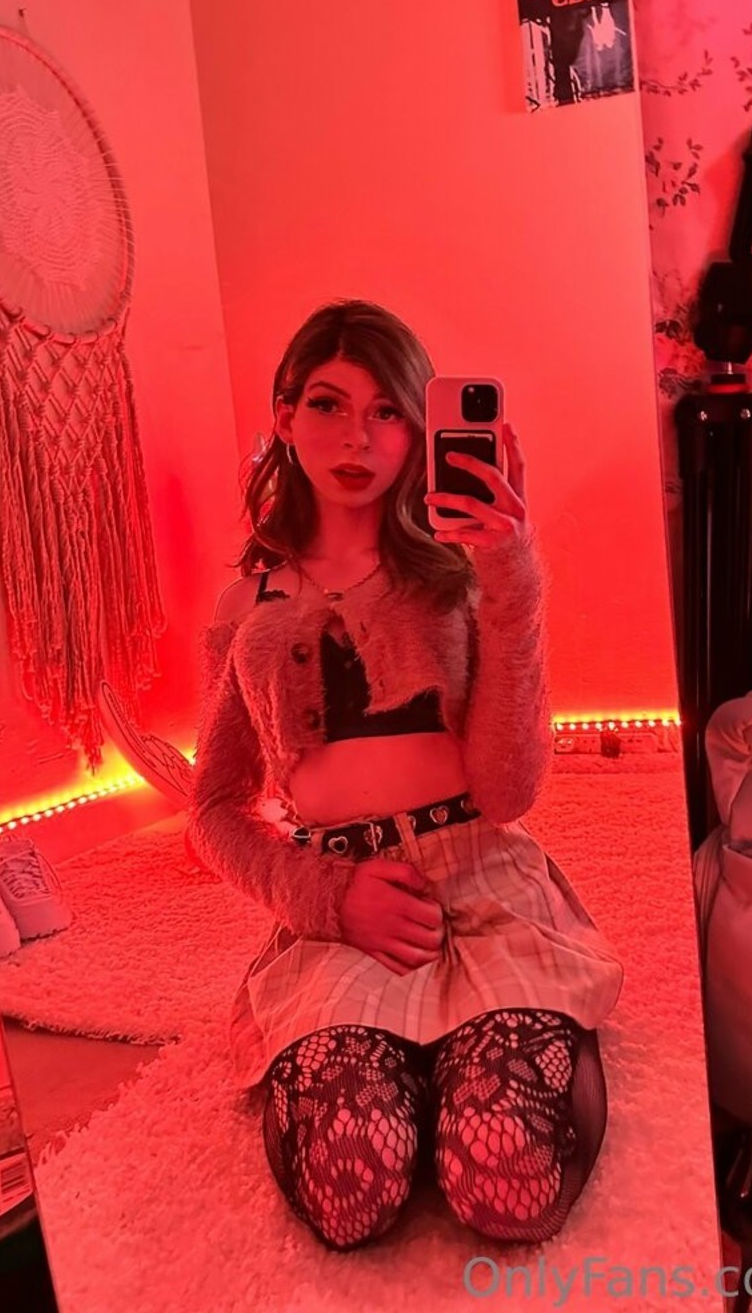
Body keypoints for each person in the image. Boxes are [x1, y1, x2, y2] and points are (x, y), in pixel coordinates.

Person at [188, 299, 624, 1252]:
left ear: (422, 428)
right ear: (284, 414)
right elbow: (213, 806)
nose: (358, 437)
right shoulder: (244, 604)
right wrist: (324, 895)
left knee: (508, 1178)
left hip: (483, 886)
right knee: (351, 1185)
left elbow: (508, 792)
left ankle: (479, 1047)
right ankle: (409, 1054)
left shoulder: (464, 576)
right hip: (338, 907)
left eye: (388, 410)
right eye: (328, 404)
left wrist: (513, 580)